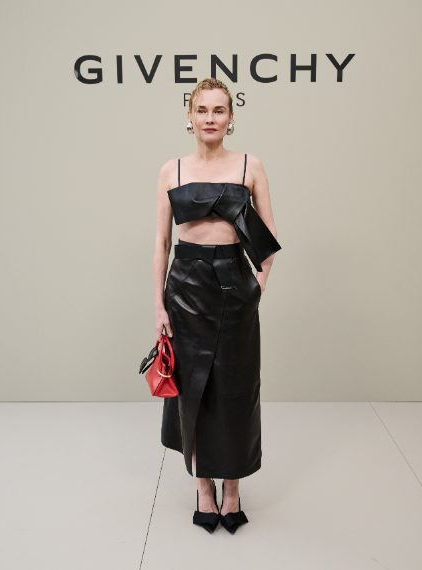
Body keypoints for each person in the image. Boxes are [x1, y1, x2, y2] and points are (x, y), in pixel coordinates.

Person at [152, 77, 281, 533]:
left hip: (234, 285)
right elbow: (162, 242)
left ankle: (232, 488)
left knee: (236, 389)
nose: (210, 118)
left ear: (231, 117)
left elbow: (268, 238)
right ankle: (203, 486)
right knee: (194, 390)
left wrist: (256, 288)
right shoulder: (172, 170)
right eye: (202, 110)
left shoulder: (250, 165)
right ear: (190, 116)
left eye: (219, 110)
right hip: (185, 288)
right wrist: (159, 306)